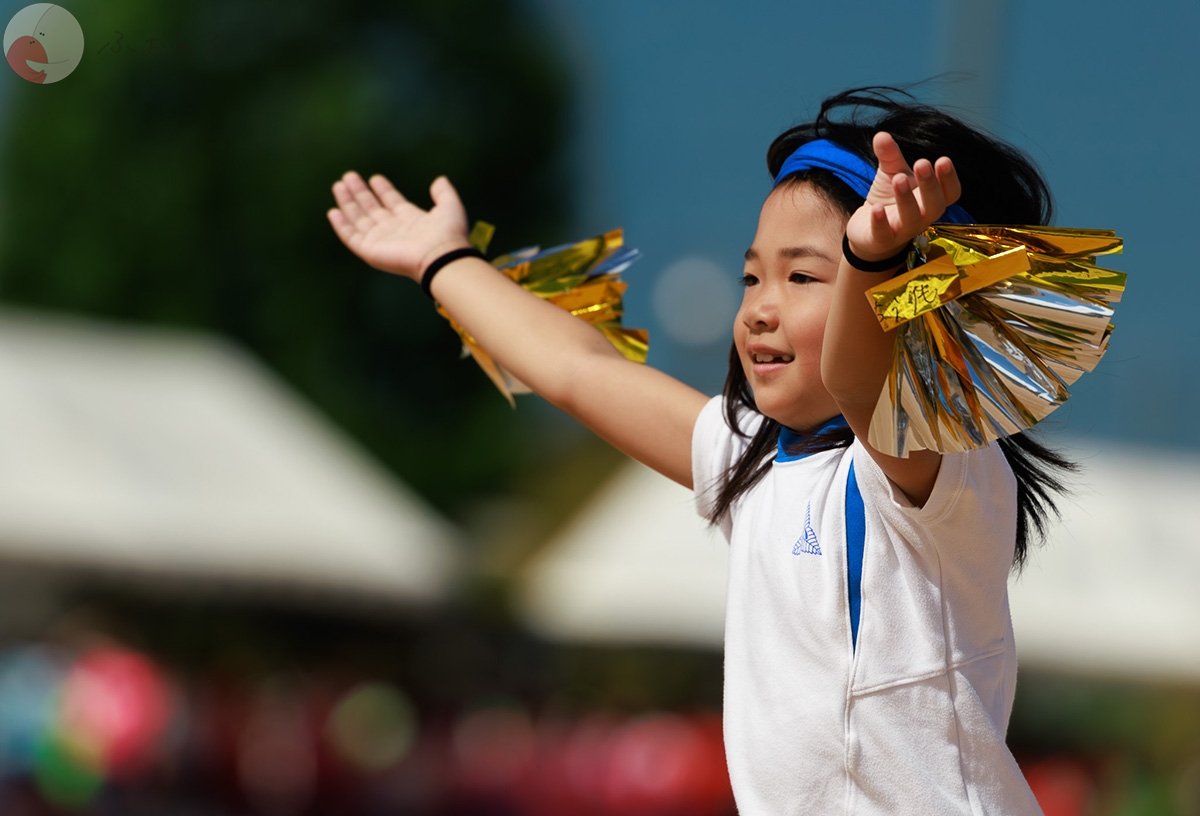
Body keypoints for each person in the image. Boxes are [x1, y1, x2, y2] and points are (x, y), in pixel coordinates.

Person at [327, 86, 1070, 815]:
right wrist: (441, 259)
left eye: (804, 276)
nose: (759, 308)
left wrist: (870, 259)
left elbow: (859, 377)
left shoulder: (941, 463)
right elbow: (579, 371)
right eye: (752, 276)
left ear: (920, 307)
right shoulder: (755, 462)